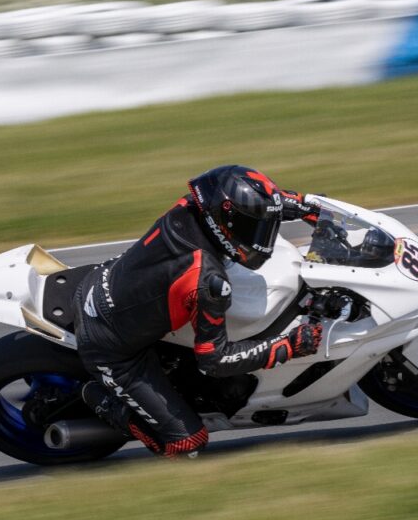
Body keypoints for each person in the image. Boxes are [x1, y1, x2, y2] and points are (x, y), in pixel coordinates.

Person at [74, 165, 324, 458]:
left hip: (105, 280)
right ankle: (101, 399)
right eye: (253, 227)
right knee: (187, 444)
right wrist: (287, 346)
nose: (261, 236)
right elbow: (214, 360)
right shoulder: (206, 280)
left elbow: (255, 201)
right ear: (227, 223)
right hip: (111, 348)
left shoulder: (192, 205)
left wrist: (308, 207)